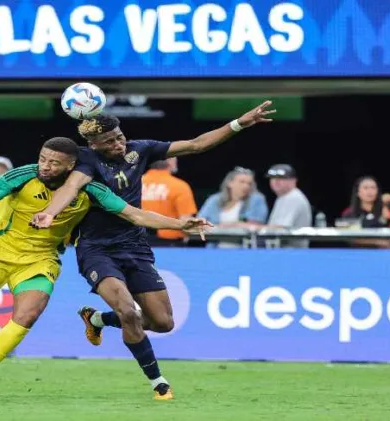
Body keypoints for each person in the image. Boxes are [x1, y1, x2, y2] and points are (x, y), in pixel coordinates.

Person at [0, 137, 210, 398]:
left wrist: (181, 224)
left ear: (71, 166)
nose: (45, 166)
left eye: (53, 162)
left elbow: (135, 215)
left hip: (41, 258)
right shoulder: (22, 175)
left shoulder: (91, 189)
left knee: (27, 315)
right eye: (43, 159)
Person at [30, 102, 274, 400]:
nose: (118, 144)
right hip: (96, 250)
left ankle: (96, 320)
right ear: (93, 145)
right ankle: (159, 383)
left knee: (162, 322)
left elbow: (196, 145)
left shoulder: (140, 150)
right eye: (109, 141)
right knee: (129, 312)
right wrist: (50, 213)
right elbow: (70, 189)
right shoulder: (87, 160)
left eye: (119, 136)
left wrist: (239, 123)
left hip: (135, 246)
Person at [198, 167, 269, 248]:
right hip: (215, 247)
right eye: (242, 182)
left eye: (249, 183)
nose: (246, 186)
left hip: (245, 248)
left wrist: (222, 226)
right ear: (230, 183)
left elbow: (255, 225)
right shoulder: (215, 199)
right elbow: (199, 222)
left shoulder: (257, 199)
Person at [141, 157, 198, 246]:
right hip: (169, 244)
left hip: (135, 242)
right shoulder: (180, 186)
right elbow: (185, 221)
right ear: (170, 161)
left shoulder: (135, 183)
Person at [264, 164, 312, 248]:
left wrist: (254, 228)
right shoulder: (283, 197)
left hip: (292, 253)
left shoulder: (293, 198)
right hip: (283, 250)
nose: (276, 181)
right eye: (273, 178)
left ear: (293, 181)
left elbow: (281, 230)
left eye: (281, 178)